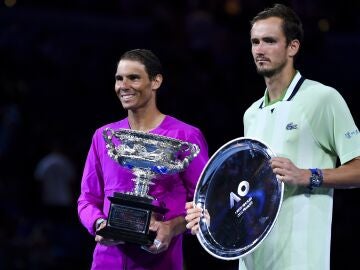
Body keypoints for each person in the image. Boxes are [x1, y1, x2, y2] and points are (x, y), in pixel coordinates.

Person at [185, 3, 360, 270]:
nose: (259, 49)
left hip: (301, 262)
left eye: (269, 41)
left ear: (293, 47)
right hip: (251, 261)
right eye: (255, 41)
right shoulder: (251, 114)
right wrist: (212, 215)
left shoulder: (322, 99)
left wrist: (307, 175)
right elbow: (248, 190)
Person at [77, 49, 209, 270]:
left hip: (161, 262)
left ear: (156, 81)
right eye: (119, 79)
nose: (123, 85)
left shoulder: (185, 137)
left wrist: (172, 227)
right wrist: (99, 224)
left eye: (134, 77)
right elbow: (87, 199)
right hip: (106, 262)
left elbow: (204, 203)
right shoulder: (105, 137)